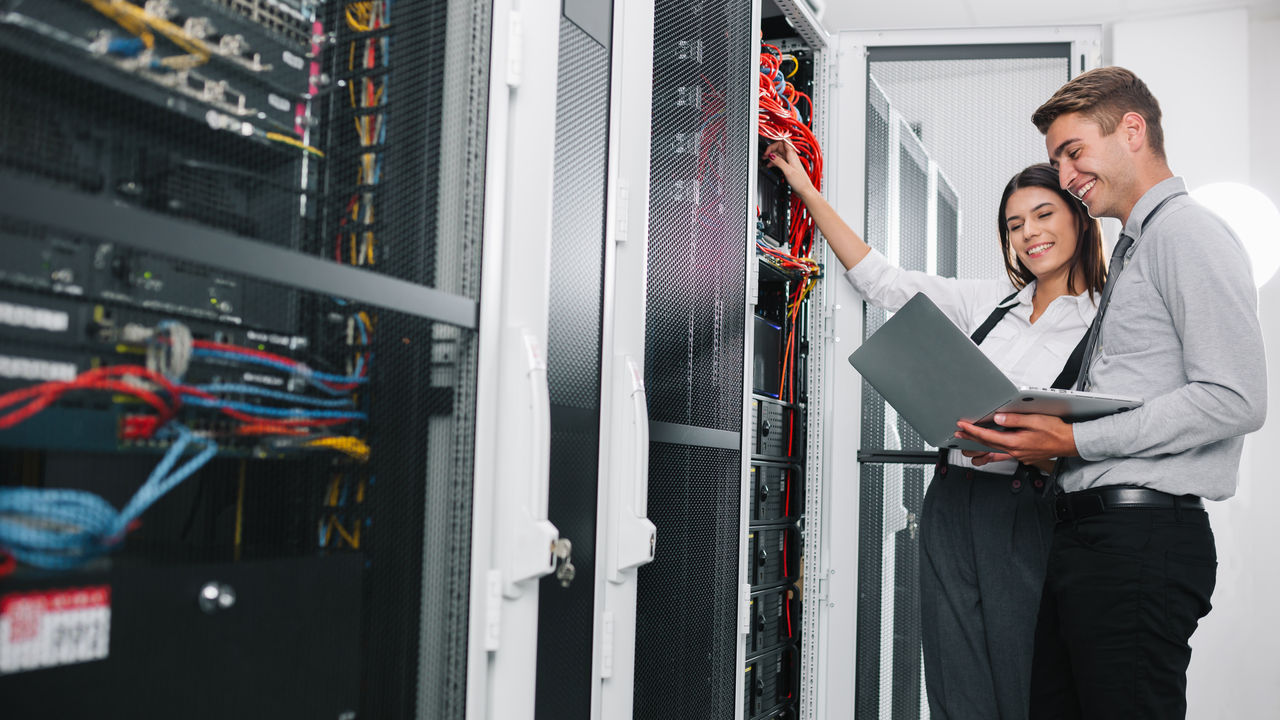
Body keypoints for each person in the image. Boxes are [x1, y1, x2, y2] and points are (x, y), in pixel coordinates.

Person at [954, 66, 1267, 719]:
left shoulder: (1187, 233)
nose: (1065, 177)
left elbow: (1235, 398)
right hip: (1092, 539)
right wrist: (1041, 443)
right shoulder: (1134, 248)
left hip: (1139, 539)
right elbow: (1132, 389)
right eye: (1055, 160)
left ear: (1132, 130)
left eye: (1073, 153)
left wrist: (1072, 437)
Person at [766, 143, 1105, 719]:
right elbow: (881, 280)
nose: (1029, 234)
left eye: (1044, 215)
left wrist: (1044, 452)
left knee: (1024, 667)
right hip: (952, 499)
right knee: (951, 666)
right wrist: (803, 188)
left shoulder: (1103, 321)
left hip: (1028, 510)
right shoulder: (988, 303)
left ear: (1079, 215)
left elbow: (1104, 433)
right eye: (1015, 224)